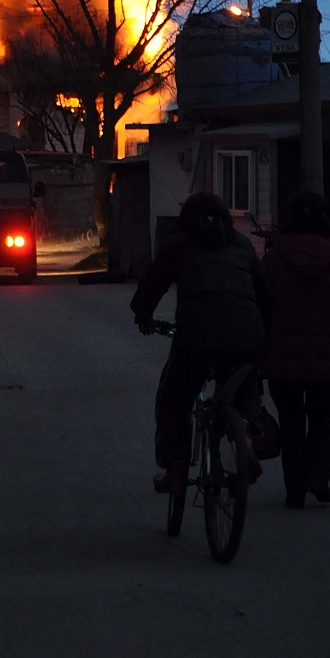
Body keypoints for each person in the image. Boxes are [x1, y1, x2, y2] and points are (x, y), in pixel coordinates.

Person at [130, 191, 268, 495]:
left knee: (174, 400)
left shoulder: (178, 246)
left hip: (196, 340)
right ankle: (243, 432)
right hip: (246, 337)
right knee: (244, 386)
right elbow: (263, 293)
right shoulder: (242, 245)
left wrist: (144, 315)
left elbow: (152, 285)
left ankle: (176, 469)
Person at [261, 190, 330, 509]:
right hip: (323, 354)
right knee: (322, 416)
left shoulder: (273, 259)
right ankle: (319, 477)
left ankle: (294, 489)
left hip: (282, 353)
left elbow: (259, 302)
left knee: (291, 418)